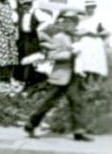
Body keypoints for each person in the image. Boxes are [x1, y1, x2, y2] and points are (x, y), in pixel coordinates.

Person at [24, 10, 93, 141]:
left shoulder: (75, 36)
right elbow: (53, 55)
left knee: (77, 102)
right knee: (48, 103)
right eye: (65, 22)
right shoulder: (59, 37)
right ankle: (31, 124)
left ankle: (79, 131)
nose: (68, 25)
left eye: (71, 22)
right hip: (60, 76)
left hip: (73, 76)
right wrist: (70, 53)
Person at [16, 0, 53, 90]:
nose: (25, 6)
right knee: (22, 58)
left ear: (30, 4)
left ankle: (29, 82)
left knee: (31, 59)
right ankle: (23, 80)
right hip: (23, 37)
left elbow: (49, 20)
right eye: (23, 4)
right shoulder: (22, 13)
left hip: (32, 38)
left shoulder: (36, 12)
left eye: (27, 4)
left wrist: (39, 29)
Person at [77, 0, 108, 82]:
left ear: (94, 8)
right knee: (85, 61)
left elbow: (107, 31)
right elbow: (76, 32)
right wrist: (86, 32)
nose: (90, 9)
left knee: (96, 62)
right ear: (85, 8)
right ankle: (85, 81)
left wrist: (99, 34)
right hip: (85, 42)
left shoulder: (99, 18)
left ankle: (96, 82)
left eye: (92, 8)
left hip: (96, 42)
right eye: (88, 8)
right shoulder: (81, 19)